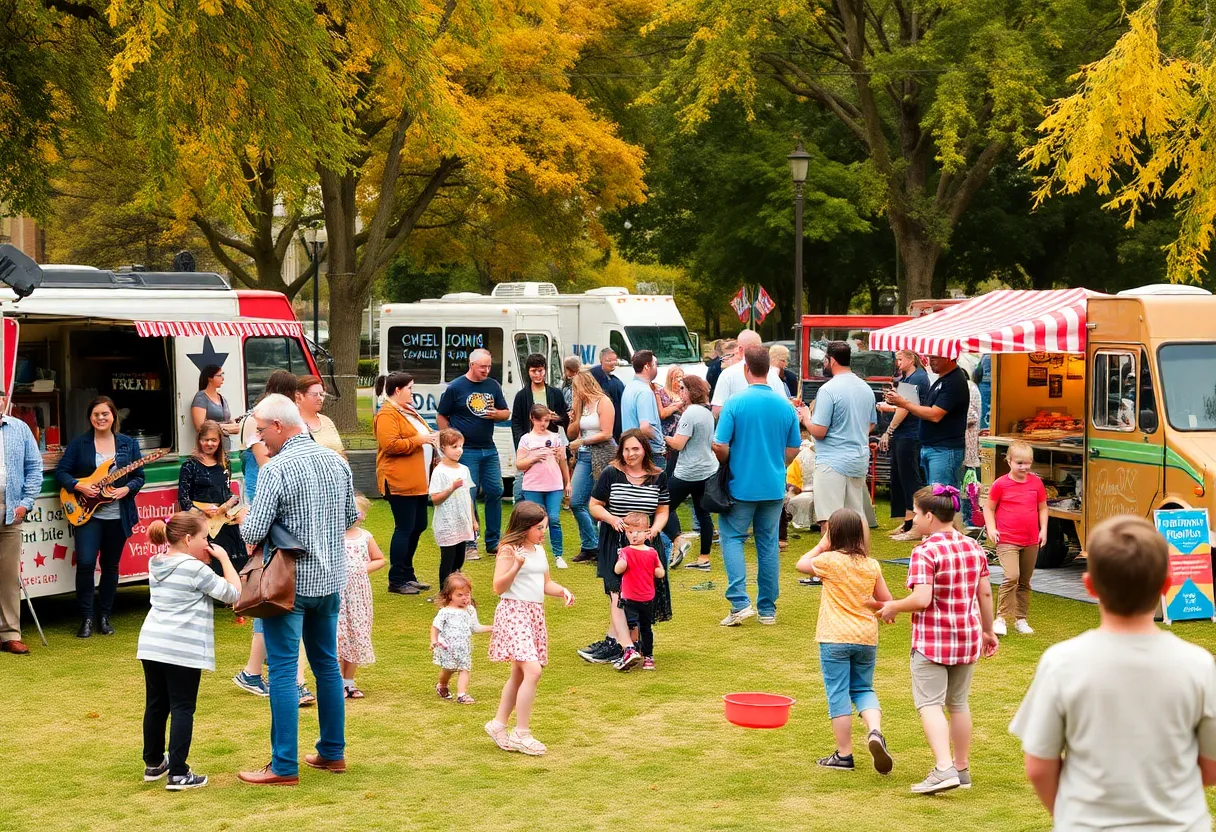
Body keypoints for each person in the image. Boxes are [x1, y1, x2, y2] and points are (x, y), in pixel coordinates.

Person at [1009, 515, 1216, 830]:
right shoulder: (1197, 664)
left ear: (1090, 586)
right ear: (1166, 585)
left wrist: (1071, 816)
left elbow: (1039, 766)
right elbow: (1211, 766)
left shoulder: (1062, 663)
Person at [237, 393, 359, 786]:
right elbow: (349, 517)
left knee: (284, 671)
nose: (259, 438)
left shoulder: (275, 470)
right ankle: (332, 753)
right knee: (326, 666)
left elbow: (254, 531)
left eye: (260, 430)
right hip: (330, 580)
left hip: (286, 585)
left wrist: (243, 517)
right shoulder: (336, 462)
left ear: (278, 425)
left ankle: (284, 765)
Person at [879, 485, 998, 795]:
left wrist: (893, 606)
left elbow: (922, 599)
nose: (914, 519)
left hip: (932, 640)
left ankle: (944, 768)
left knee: (930, 704)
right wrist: (988, 631)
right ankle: (961, 768)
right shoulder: (973, 547)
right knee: (958, 704)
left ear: (930, 516)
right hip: (967, 637)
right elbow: (985, 593)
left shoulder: (925, 551)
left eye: (916, 514)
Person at [138, 511, 241, 791]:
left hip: (152, 644)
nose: (208, 543)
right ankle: (179, 773)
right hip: (181, 648)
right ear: (187, 539)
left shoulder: (156, 561)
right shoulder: (195, 569)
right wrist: (225, 559)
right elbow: (233, 593)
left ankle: (154, 763)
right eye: (204, 538)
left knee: (156, 704)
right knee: (183, 707)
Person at [796, 508, 894, 773]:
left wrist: (822, 544)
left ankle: (844, 754)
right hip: (865, 636)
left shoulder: (828, 560)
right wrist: (875, 607)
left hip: (834, 636)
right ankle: (875, 731)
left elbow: (801, 564)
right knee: (863, 688)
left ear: (833, 534)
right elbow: (886, 601)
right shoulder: (871, 564)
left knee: (838, 692)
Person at [232, 370, 310, 701]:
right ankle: (280, 677)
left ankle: (257, 671)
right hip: (265, 503)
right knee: (271, 586)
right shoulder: (260, 421)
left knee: (278, 588)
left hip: (275, 504)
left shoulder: (270, 420)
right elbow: (266, 464)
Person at [713, 347, 801, 627]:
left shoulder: (735, 403)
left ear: (746, 369)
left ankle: (740, 602)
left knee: (732, 538)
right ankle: (767, 609)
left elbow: (719, 444)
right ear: (770, 369)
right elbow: (794, 448)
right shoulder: (785, 405)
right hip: (773, 485)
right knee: (768, 544)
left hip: (741, 484)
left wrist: (729, 459)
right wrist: (777, 463)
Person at [485, 501, 575, 756]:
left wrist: (563, 591)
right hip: (513, 612)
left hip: (534, 614)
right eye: (538, 528)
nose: (543, 532)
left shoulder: (539, 550)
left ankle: (498, 725)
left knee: (519, 673)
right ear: (524, 527)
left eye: (544, 527)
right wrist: (516, 566)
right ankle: (521, 733)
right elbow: (498, 587)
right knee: (532, 671)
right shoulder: (508, 550)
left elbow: (545, 584)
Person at [580, 430, 672, 669]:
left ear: (645, 450)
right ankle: (627, 647)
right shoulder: (611, 473)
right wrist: (611, 519)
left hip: (646, 544)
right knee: (618, 594)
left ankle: (620, 643)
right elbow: (594, 505)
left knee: (638, 595)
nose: (630, 454)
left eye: (635, 449)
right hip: (616, 541)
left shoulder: (658, 476)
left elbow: (663, 509)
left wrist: (655, 530)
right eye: (626, 449)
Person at [56, 396, 145, 639]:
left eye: (105, 413)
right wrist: (78, 486)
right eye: (96, 414)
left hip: (118, 514)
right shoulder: (80, 443)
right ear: (90, 417)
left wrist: (126, 489)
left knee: (110, 565)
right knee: (85, 563)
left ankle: (104, 616)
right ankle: (86, 617)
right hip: (88, 515)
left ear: (113, 416)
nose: (101, 418)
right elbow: (62, 472)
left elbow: (139, 476)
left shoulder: (128, 444)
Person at [437, 349, 510, 556]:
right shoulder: (456, 387)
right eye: (482, 367)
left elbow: (506, 412)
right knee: (468, 494)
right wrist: (449, 442)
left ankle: (493, 541)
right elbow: (442, 415)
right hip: (466, 450)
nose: (486, 370)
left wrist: (497, 414)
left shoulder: (493, 385)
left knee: (495, 490)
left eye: (489, 366)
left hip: (489, 448)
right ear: (471, 365)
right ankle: (470, 542)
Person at [375, 371, 439, 596]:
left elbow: (424, 435)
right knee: (404, 528)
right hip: (399, 481)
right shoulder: (387, 414)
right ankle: (396, 579)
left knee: (418, 525)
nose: (413, 392)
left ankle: (407, 574)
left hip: (419, 480)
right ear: (398, 390)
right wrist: (420, 440)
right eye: (410, 388)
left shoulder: (407, 411)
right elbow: (390, 445)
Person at [807, 342, 877, 538]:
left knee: (829, 519)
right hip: (858, 459)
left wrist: (805, 418)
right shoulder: (865, 388)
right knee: (857, 516)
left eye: (825, 360)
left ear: (832, 360)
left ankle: (830, 556)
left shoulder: (828, 389)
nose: (824, 364)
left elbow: (819, 431)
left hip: (832, 461)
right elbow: (871, 423)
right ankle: (862, 555)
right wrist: (853, 432)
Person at [983, 441, 1047, 637]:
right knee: (1011, 576)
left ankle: (1021, 619)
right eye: (1019, 463)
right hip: (1007, 538)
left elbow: (1042, 507)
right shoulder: (1000, 484)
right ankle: (1001, 618)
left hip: (1031, 539)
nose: (1024, 467)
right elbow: (989, 507)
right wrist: (991, 528)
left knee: (1025, 581)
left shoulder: (1036, 483)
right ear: (1009, 461)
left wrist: (1043, 529)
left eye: (1028, 463)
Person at [884, 354, 970, 491]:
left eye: (935, 358)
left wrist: (904, 403)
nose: (930, 362)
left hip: (944, 449)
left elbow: (935, 415)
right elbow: (927, 408)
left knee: (940, 496)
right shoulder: (942, 379)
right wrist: (900, 402)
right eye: (930, 358)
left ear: (948, 358)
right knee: (932, 495)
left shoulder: (953, 382)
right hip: (934, 447)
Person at [0, 390, 43, 655]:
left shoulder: (20, 428)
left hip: (9, 509)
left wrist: (25, 503)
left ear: (3, 401)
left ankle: (9, 634)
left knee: (8, 576)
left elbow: (34, 467)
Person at [177, 420, 247, 573]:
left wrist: (229, 504)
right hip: (201, 527)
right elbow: (183, 500)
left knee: (233, 566)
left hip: (223, 524)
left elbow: (228, 492)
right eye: (205, 440)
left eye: (214, 440)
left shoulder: (225, 462)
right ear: (199, 440)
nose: (209, 444)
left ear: (220, 441)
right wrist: (202, 512)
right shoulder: (190, 466)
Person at [663, 375, 717, 571]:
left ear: (691, 391)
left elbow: (678, 444)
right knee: (703, 514)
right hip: (707, 469)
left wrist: (663, 437)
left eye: (682, 389)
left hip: (688, 471)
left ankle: (678, 540)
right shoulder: (707, 412)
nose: (680, 393)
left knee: (661, 508)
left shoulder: (690, 413)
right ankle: (704, 558)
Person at [878, 350, 930, 540]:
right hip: (906, 433)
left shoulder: (916, 378)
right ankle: (908, 522)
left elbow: (905, 408)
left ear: (911, 359)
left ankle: (916, 524)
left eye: (900, 359)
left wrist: (889, 430)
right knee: (901, 478)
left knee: (909, 479)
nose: (897, 363)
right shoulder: (911, 378)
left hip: (909, 434)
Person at [338, 494, 384, 699]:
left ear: (363, 515)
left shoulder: (365, 536)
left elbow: (380, 559)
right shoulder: (333, 535)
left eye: (355, 511)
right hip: (338, 592)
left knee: (356, 633)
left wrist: (362, 569)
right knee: (339, 635)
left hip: (358, 594)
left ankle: (349, 681)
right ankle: (336, 682)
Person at [567, 370, 615, 563]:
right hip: (585, 455)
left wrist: (583, 441)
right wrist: (575, 417)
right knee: (576, 501)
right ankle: (591, 545)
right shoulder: (581, 405)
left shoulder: (603, 402)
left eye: (575, 388)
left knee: (604, 501)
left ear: (584, 386)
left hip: (604, 453)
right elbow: (571, 434)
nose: (574, 392)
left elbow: (607, 433)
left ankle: (601, 545)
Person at [516, 405, 571, 569]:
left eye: (546, 420)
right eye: (540, 420)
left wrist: (567, 482)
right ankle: (535, 553)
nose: (543, 424)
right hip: (532, 485)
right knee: (535, 521)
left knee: (554, 518)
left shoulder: (555, 437)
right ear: (532, 419)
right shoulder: (526, 439)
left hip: (554, 484)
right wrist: (534, 458)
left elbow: (563, 461)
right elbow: (519, 464)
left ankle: (558, 555)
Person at [511, 353, 570, 504]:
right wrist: (522, 444)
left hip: (550, 448)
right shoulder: (521, 396)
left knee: (549, 485)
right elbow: (516, 422)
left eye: (540, 370)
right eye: (533, 371)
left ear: (545, 370)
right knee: (520, 490)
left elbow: (565, 418)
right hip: (529, 447)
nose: (537, 374)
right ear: (528, 372)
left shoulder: (555, 393)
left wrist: (557, 418)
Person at [614, 512, 666, 672]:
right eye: (630, 532)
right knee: (631, 625)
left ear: (647, 532)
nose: (634, 535)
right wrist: (622, 564)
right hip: (630, 597)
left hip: (646, 597)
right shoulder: (625, 551)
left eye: (638, 532)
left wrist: (657, 571)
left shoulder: (652, 552)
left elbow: (660, 571)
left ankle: (647, 655)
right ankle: (630, 651)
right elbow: (617, 569)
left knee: (645, 628)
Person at [431, 572, 493, 704]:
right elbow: (435, 626)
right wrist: (434, 640)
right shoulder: (445, 612)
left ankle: (462, 695)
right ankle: (442, 685)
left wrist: (493, 628)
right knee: (449, 669)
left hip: (464, 648)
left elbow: (475, 627)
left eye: (467, 594)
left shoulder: (470, 610)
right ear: (449, 595)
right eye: (460, 595)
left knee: (464, 668)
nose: (465, 598)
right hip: (448, 648)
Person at [430, 428, 478, 590]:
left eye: (461, 446)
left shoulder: (464, 469)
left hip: (462, 521)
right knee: (448, 559)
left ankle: (456, 590)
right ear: (443, 447)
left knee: (459, 559)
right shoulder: (439, 471)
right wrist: (451, 488)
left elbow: (468, 497)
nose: (459, 450)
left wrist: (473, 520)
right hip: (447, 523)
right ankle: (444, 592)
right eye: (454, 447)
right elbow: (435, 499)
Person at [711, 330, 788, 415]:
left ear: (740, 350)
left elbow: (717, 410)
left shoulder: (727, 374)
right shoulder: (773, 374)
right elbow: (785, 408)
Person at [621, 350, 667, 467]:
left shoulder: (629, 387)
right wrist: (661, 440)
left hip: (631, 450)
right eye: (655, 364)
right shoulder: (644, 391)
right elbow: (645, 427)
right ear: (647, 366)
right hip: (649, 453)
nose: (656, 368)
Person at [191, 364, 239, 450]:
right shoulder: (201, 397)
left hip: (224, 446)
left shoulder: (222, 398)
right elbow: (200, 427)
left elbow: (230, 422)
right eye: (220, 375)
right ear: (210, 378)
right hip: (210, 446)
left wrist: (232, 425)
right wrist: (226, 428)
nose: (222, 378)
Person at [296, 375, 343, 455]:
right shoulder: (292, 425)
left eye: (321, 394)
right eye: (315, 395)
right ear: (299, 396)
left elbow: (340, 452)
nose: (320, 398)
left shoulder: (327, 421)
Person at [960, 370, 983, 526]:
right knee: (967, 484)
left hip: (968, 444)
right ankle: (967, 519)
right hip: (966, 444)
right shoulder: (970, 386)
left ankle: (969, 521)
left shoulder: (968, 387)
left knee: (968, 484)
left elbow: (971, 416)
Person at [589, 348, 625, 442]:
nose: (613, 363)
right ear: (601, 360)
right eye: (609, 360)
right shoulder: (594, 375)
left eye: (614, 360)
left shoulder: (613, 378)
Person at [658, 366, 685, 450]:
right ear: (670, 378)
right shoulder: (660, 392)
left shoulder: (685, 392)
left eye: (681, 377)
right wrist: (676, 406)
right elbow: (662, 414)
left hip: (682, 432)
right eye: (677, 377)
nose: (679, 380)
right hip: (667, 431)